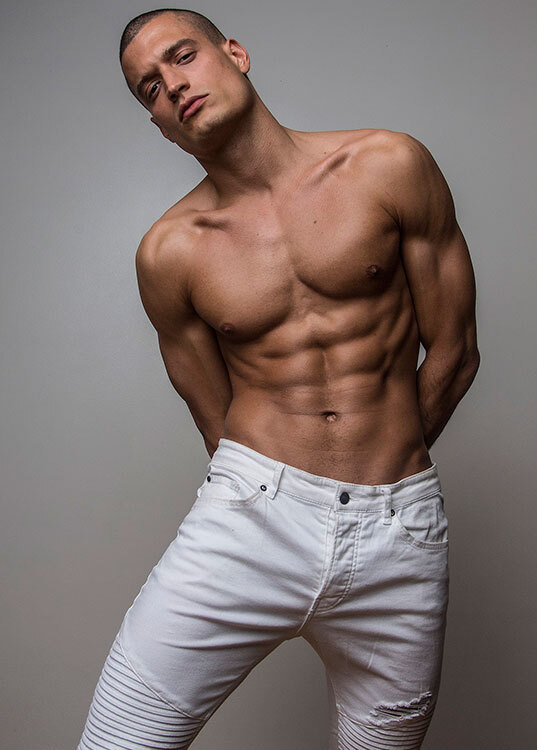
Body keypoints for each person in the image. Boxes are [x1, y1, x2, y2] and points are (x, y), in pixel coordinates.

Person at [77, 8, 480, 750]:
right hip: (252, 522)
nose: (172, 85)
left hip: (401, 534)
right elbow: (216, 424)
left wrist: (384, 472)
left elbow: (455, 351)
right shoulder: (168, 254)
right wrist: (285, 493)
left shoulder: (389, 165)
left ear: (234, 53)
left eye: (182, 56)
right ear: (158, 126)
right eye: (150, 88)